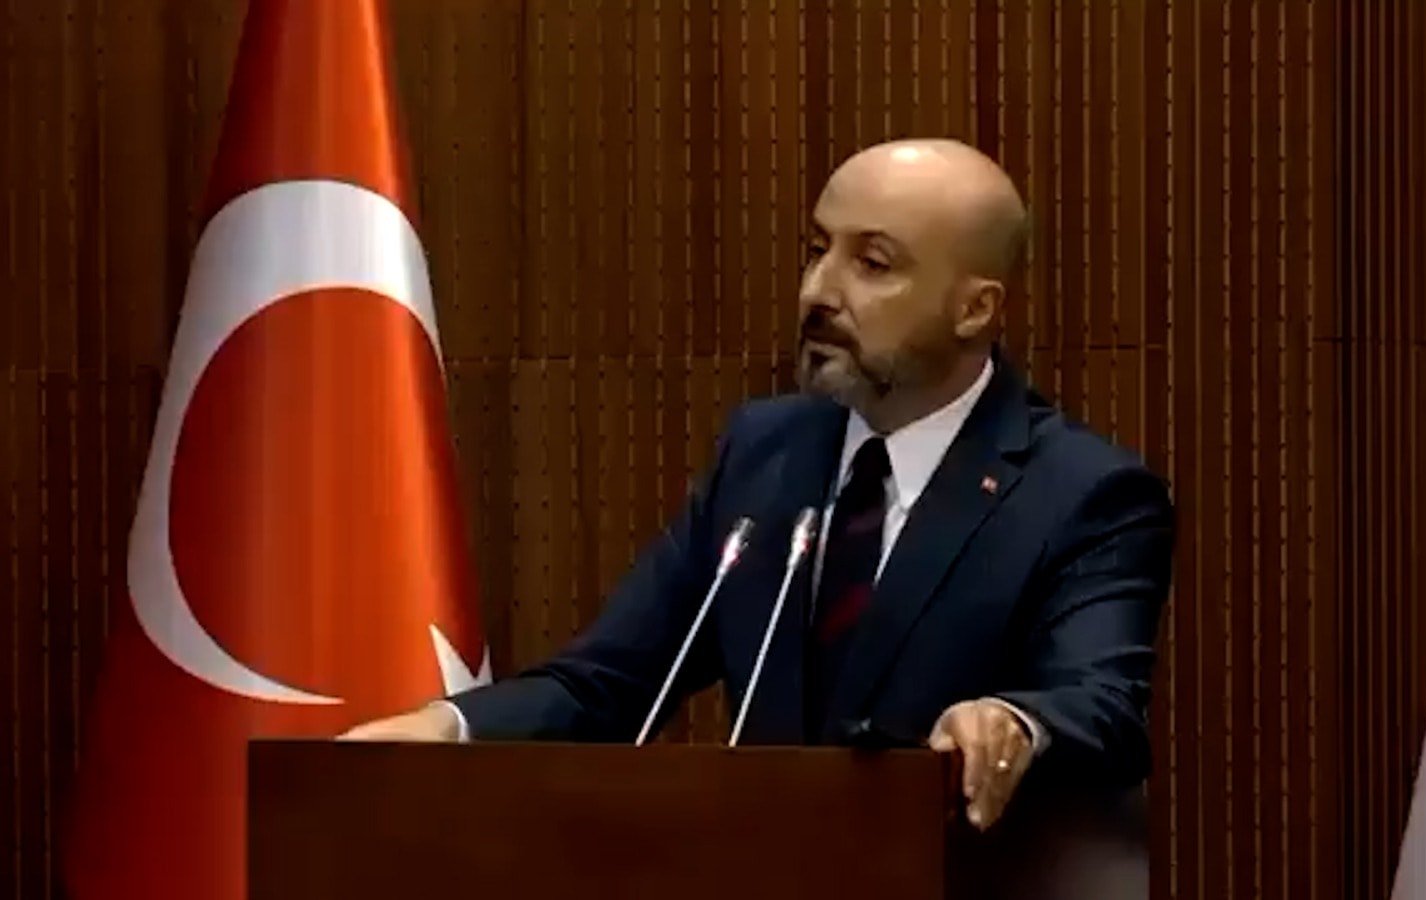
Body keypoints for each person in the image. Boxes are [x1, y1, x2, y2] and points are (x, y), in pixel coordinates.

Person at [342, 137, 1174, 834]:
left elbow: (1100, 705)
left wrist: (1015, 724)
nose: (818, 292)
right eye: (817, 250)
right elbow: (612, 683)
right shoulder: (765, 452)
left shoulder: (1083, 493)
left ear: (975, 310)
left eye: (872, 263)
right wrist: (449, 726)